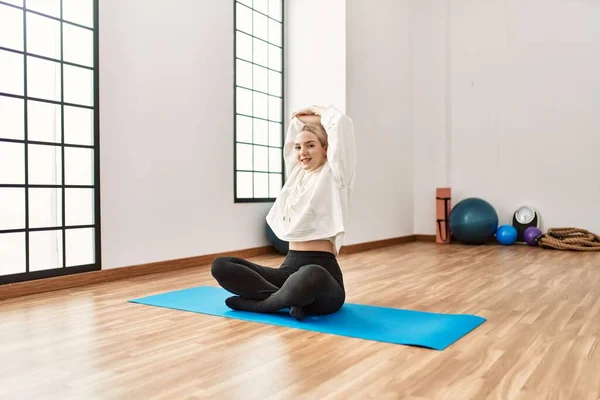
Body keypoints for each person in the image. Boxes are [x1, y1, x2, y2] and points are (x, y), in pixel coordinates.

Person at [211, 104, 356, 321]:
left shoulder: (335, 175)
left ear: (326, 149)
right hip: (287, 270)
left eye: (310, 145)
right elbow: (295, 126)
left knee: (309, 274)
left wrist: (319, 110)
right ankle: (285, 301)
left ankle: (266, 304)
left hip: (322, 278)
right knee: (222, 266)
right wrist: (303, 120)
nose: (302, 153)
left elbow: (341, 124)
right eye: (298, 148)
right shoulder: (295, 176)